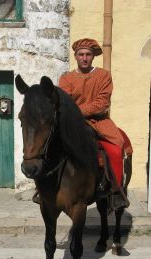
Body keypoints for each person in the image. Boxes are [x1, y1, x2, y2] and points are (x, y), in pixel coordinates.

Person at [58, 38, 130, 209]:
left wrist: (76, 110)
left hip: (100, 121)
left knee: (115, 148)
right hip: (73, 124)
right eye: (81, 54)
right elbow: (64, 101)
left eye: (88, 54)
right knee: (50, 144)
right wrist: (71, 114)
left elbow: (102, 102)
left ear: (93, 56)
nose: (84, 58)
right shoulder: (66, 78)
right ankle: (45, 188)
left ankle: (116, 191)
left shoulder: (103, 76)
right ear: (75, 56)